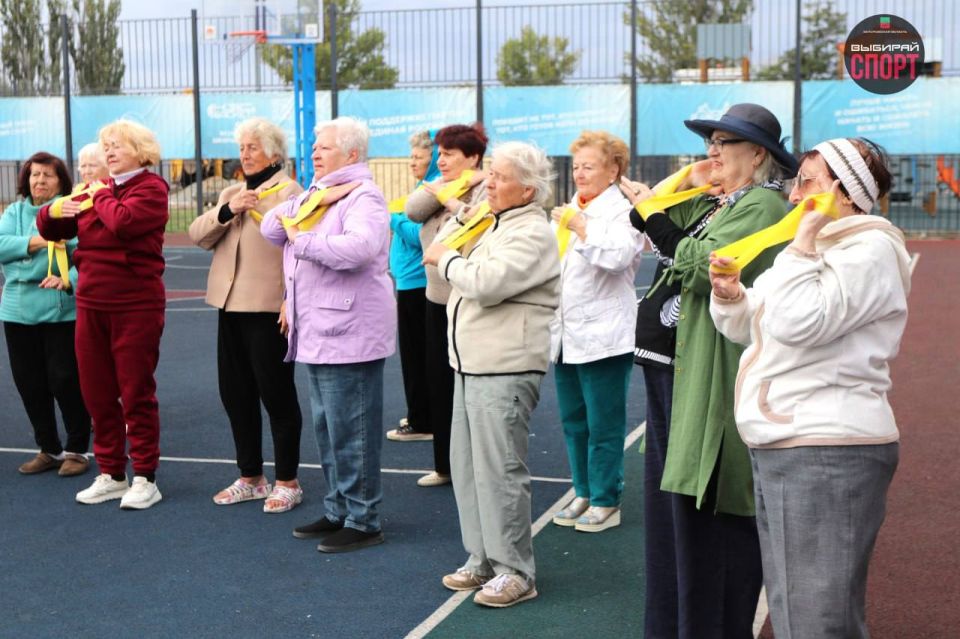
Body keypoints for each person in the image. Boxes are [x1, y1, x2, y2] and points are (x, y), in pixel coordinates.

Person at [709, 138, 908, 639]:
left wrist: (799, 247)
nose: (794, 195)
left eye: (808, 182)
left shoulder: (871, 248)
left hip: (826, 447)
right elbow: (757, 325)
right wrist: (733, 299)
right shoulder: (820, 248)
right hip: (797, 443)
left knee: (817, 618)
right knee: (799, 608)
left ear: (842, 193)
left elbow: (800, 322)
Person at [621, 103, 798, 638]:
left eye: (724, 143)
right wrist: (689, 179)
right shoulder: (723, 200)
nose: (711, 152)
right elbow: (644, 219)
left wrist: (654, 210)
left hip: (706, 376)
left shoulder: (762, 206)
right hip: (672, 370)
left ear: (758, 155)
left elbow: (698, 263)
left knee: (709, 516)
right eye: (709, 143)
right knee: (674, 519)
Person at [423, 141, 560, 608]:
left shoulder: (534, 231)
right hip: (471, 361)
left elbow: (485, 283)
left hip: (505, 362)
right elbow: (437, 250)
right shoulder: (490, 220)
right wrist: (458, 233)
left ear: (527, 188)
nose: (489, 183)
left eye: (499, 177)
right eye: (490, 174)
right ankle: (481, 556)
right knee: (467, 466)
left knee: (500, 469)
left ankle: (515, 570)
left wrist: (447, 257)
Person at [260, 116, 396, 553]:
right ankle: (339, 509)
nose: (314, 152)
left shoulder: (365, 197)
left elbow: (359, 249)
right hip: (319, 330)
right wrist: (307, 206)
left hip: (349, 331)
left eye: (324, 147)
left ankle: (364, 518)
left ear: (352, 154)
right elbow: (269, 228)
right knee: (328, 427)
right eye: (315, 146)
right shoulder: (320, 195)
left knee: (352, 430)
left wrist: (303, 240)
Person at [37, 119, 169, 510]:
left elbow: (123, 223)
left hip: (135, 306)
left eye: (117, 145)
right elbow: (49, 227)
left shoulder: (152, 188)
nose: (108, 152)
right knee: (96, 393)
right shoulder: (97, 190)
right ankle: (111, 473)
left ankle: (145, 476)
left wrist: (98, 196)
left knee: (135, 392)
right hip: (91, 304)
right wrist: (57, 207)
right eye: (105, 146)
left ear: (141, 151)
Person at [188, 117, 305, 513]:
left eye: (253, 147)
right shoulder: (233, 191)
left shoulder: (291, 192)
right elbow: (197, 235)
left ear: (274, 152)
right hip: (228, 305)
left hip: (269, 308)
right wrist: (228, 210)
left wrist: (292, 299)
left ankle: (288, 480)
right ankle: (251, 477)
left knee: (276, 394)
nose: (245, 154)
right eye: (242, 148)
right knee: (235, 395)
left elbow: (300, 250)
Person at [548, 131, 642, 532]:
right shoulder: (573, 208)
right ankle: (582, 490)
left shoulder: (623, 211)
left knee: (604, 424)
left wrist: (582, 228)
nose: (580, 174)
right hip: (567, 335)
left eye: (589, 166)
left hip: (606, 336)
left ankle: (606, 498)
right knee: (573, 420)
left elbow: (619, 258)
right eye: (576, 166)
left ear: (613, 170)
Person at [403, 123, 487, 487]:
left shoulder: (487, 187)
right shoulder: (445, 183)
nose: (442, 160)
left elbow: (478, 225)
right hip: (435, 299)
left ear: (473, 157)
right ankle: (445, 466)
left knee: (466, 386)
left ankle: (474, 466)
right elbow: (412, 209)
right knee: (438, 382)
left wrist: (456, 199)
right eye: (440, 154)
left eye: (450, 154)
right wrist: (445, 189)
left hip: (466, 301)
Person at [0, 152, 91, 477]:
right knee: (30, 384)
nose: (40, 180)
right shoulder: (14, 211)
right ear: (26, 179)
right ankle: (49, 448)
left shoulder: (71, 211)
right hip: (17, 312)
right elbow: (0, 244)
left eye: (47, 176)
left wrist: (69, 280)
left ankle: (78, 449)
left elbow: (87, 257)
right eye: (35, 174)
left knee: (65, 380)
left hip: (60, 311)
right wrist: (41, 241)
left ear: (60, 181)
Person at [384, 130, 440, 446]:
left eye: (418, 158)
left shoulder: (432, 190)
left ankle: (422, 419)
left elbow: (421, 234)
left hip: (418, 283)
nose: (411, 163)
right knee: (416, 354)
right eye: (411, 157)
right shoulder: (423, 188)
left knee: (417, 355)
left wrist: (393, 219)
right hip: (409, 281)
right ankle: (421, 411)